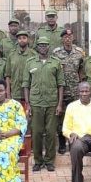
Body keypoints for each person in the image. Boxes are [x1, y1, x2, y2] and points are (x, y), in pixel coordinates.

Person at [23, 36, 64, 172]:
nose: (43, 47)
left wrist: (59, 104)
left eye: (45, 45)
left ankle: (50, 161)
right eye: (40, 45)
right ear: (37, 47)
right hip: (36, 103)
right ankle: (38, 161)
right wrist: (28, 104)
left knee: (51, 133)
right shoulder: (30, 63)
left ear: (49, 47)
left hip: (52, 103)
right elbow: (26, 85)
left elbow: (60, 84)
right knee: (36, 133)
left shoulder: (56, 63)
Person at [52, 28, 85, 154]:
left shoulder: (79, 52)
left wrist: (81, 87)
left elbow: (81, 71)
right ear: (62, 39)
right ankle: (61, 144)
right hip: (61, 91)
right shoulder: (56, 53)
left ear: (72, 38)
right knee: (60, 119)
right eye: (65, 37)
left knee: (75, 119)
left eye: (70, 37)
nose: (68, 39)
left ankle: (73, 143)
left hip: (75, 92)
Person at [5, 30, 35, 104]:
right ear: (17, 40)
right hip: (15, 93)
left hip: (30, 93)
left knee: (28, 115)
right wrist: (8, 94)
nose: (22, 40)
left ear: (28, 40)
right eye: (20, 38)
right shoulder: (11, 54)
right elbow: (7, 75)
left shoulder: (34, 55)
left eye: (24, 38)